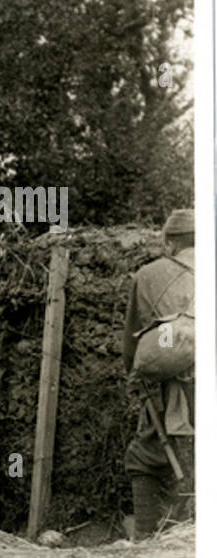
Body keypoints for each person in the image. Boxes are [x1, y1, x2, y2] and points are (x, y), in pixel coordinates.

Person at [123, 208, 196, 539]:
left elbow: (133, 342)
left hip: (172, 387)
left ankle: (144, 540)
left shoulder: (148, 275)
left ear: (170, 244)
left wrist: (135, 378)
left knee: (144, 456)